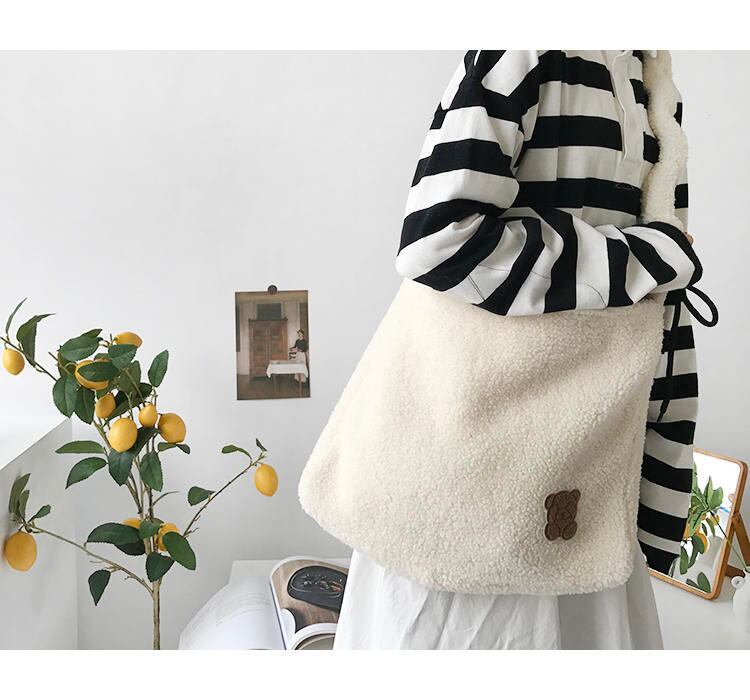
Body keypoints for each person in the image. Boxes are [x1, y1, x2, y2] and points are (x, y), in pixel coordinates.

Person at [333, 50, 713, 649]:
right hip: (471, 485)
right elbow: (437, 238)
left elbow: (659, 302)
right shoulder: (527, 47)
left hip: (590, 474)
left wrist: (658, 497)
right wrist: (646, 258)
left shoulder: (650, 73)